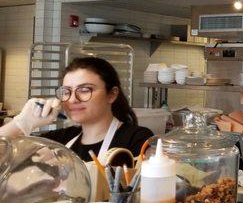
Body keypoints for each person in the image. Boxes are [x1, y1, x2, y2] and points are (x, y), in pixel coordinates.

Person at [0, 57, 154, 161]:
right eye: (66, 91)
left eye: (85, 90)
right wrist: (21, 123)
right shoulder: (60, 140)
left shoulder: (137, 139)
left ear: (111, 95)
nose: (73, 99)